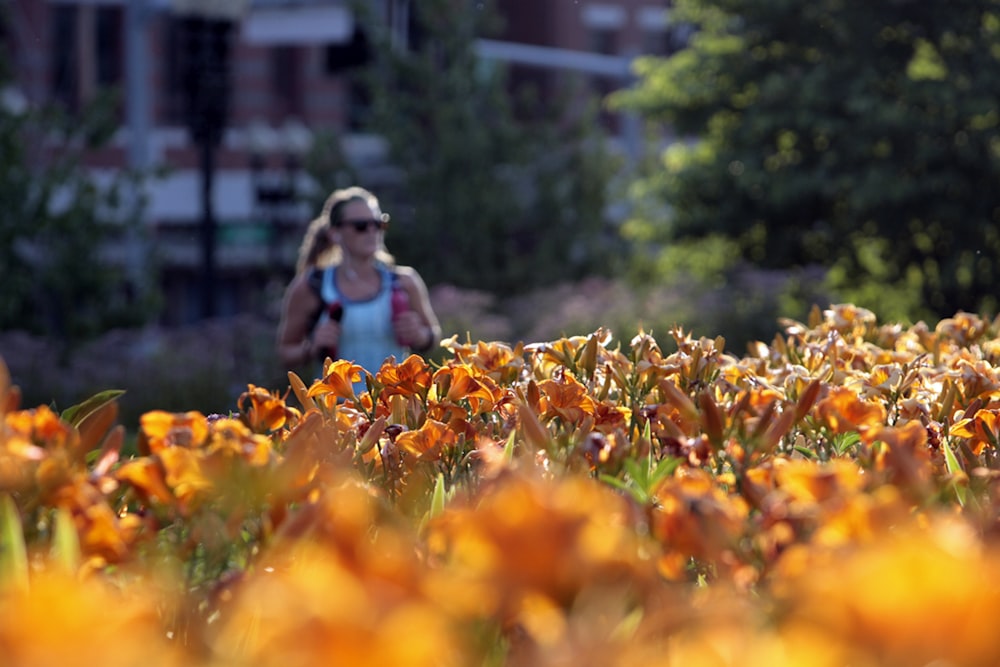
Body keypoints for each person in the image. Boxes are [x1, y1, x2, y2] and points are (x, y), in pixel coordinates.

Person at [276, 186, 441, 384]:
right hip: (338, 411)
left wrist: (420, 335)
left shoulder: (404, 281)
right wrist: (312, 347)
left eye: (379, 223)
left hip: (394, 408)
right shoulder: (311, 286)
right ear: (335, 233)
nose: (372, 231)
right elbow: (285, 352)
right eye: (361, 225)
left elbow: (433, 334)